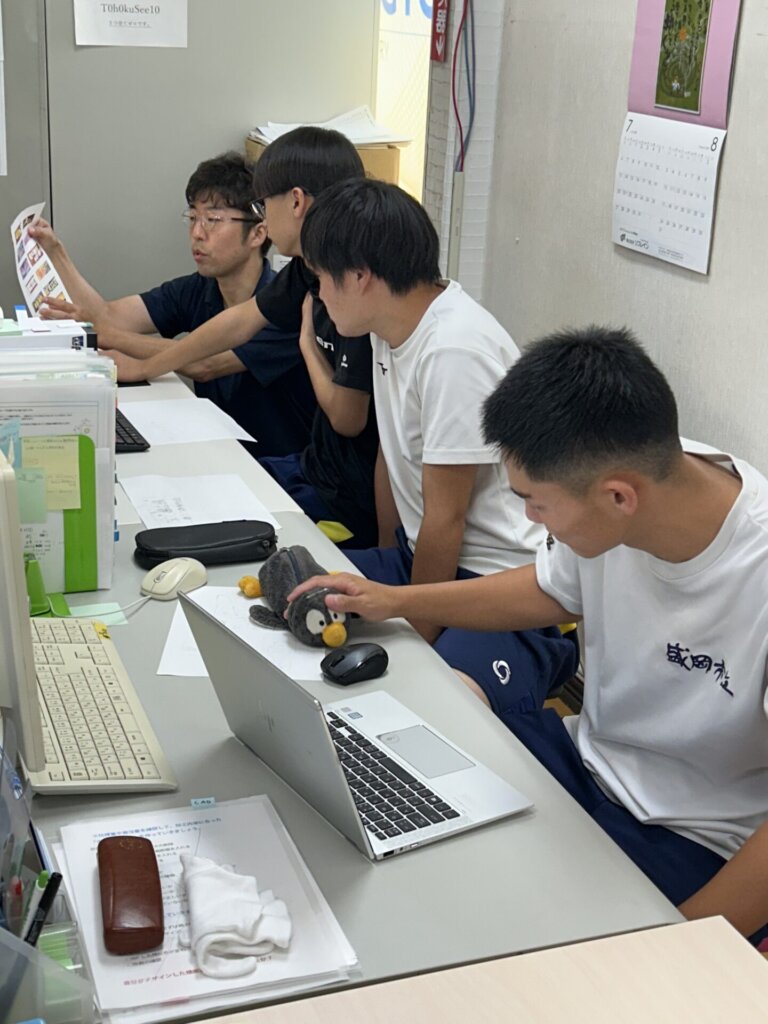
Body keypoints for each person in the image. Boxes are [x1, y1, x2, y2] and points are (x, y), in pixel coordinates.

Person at [287, 326, 768, 945]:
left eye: (535, 504)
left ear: (620, 496)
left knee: (510, 943)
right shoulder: (635, 476)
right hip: (584, 758)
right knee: (387, 787)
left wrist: (678, 948)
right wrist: (396, 601)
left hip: (694, 832)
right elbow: (547, 590)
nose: (527, 520)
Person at [299, 176, 577, 695]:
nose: (318, 295)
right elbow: (393, 456)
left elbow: (446, 517)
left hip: (494, 579)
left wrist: (414, 631)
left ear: (360, 276)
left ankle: (535, 666)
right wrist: (385, 564)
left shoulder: (452, 349)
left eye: (321, 280)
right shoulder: (389, 325)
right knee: (294, 592)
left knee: (434, 698)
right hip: (423, 559)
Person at [88, 129, 379, 546]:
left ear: (295, 202)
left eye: (264, 205)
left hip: (341, 496)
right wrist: (152, 365)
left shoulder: (350, 285)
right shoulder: (305, 271)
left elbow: (348, 420)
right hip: (309, 469)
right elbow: (238, 323)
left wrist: (307, 347)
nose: (198, 232)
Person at [28, 152, 315, 458]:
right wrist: (56, 253)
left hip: (279, 466)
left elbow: (206, 363)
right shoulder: (198, 288)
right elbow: (109, 317)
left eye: (213, 220)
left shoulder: (284, 306)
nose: (196, 233)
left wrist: (124, 349)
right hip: (218, 450)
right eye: (192, 217)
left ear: (258, 232)